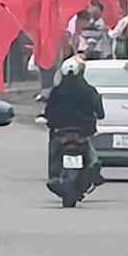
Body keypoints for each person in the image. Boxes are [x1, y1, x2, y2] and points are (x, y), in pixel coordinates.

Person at [42, 55, 105, 190]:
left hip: (61, 131)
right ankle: (94, 167)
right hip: (81, 130)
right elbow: (100, 111)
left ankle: (92, 167)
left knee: (55, 151)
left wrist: (49, 120)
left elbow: (48, 111)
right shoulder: (88, 90)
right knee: (88, 148)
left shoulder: (57, 91)